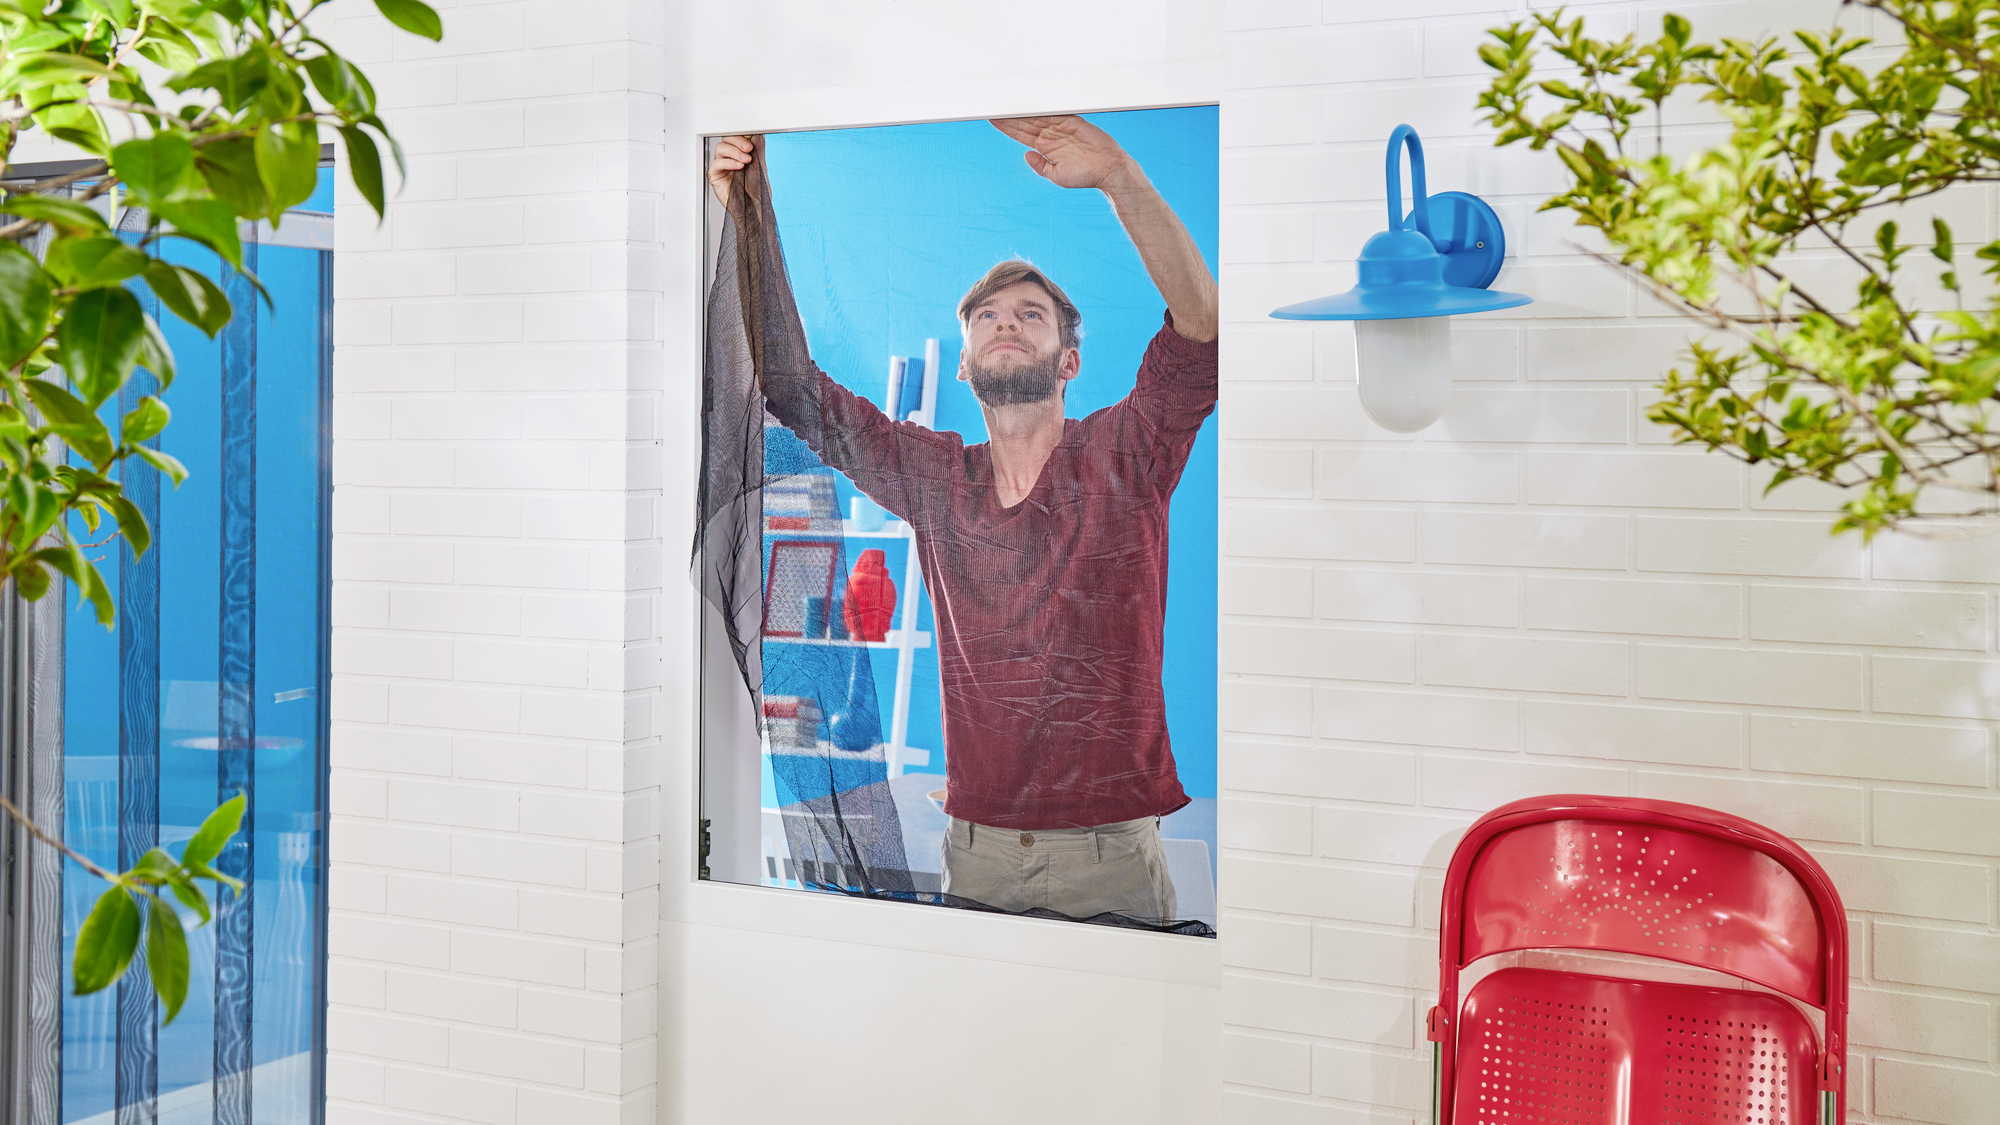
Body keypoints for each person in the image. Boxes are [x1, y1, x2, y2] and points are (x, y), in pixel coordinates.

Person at [708, 116, 1218, 923]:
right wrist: (746, 211)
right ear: (972, 359)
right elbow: (794, 386)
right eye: (986, 317)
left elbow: (1203, 331)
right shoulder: (938, 478)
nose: (1005, 322)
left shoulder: (1130, 454)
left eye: (1029, 314)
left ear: (1069, 360)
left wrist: (1120, 174)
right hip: (975, 854)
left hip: (1109, 858)